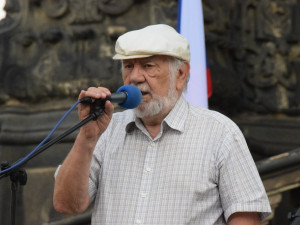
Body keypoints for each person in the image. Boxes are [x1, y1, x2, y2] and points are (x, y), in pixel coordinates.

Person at [53, 24, 271, 225]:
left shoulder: (220, 133)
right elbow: (66, 205)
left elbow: (245, 217)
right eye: (128, 66)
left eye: (148, 66)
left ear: (181, 74)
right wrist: (87, 137)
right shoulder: (106, 130)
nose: (135, 77)